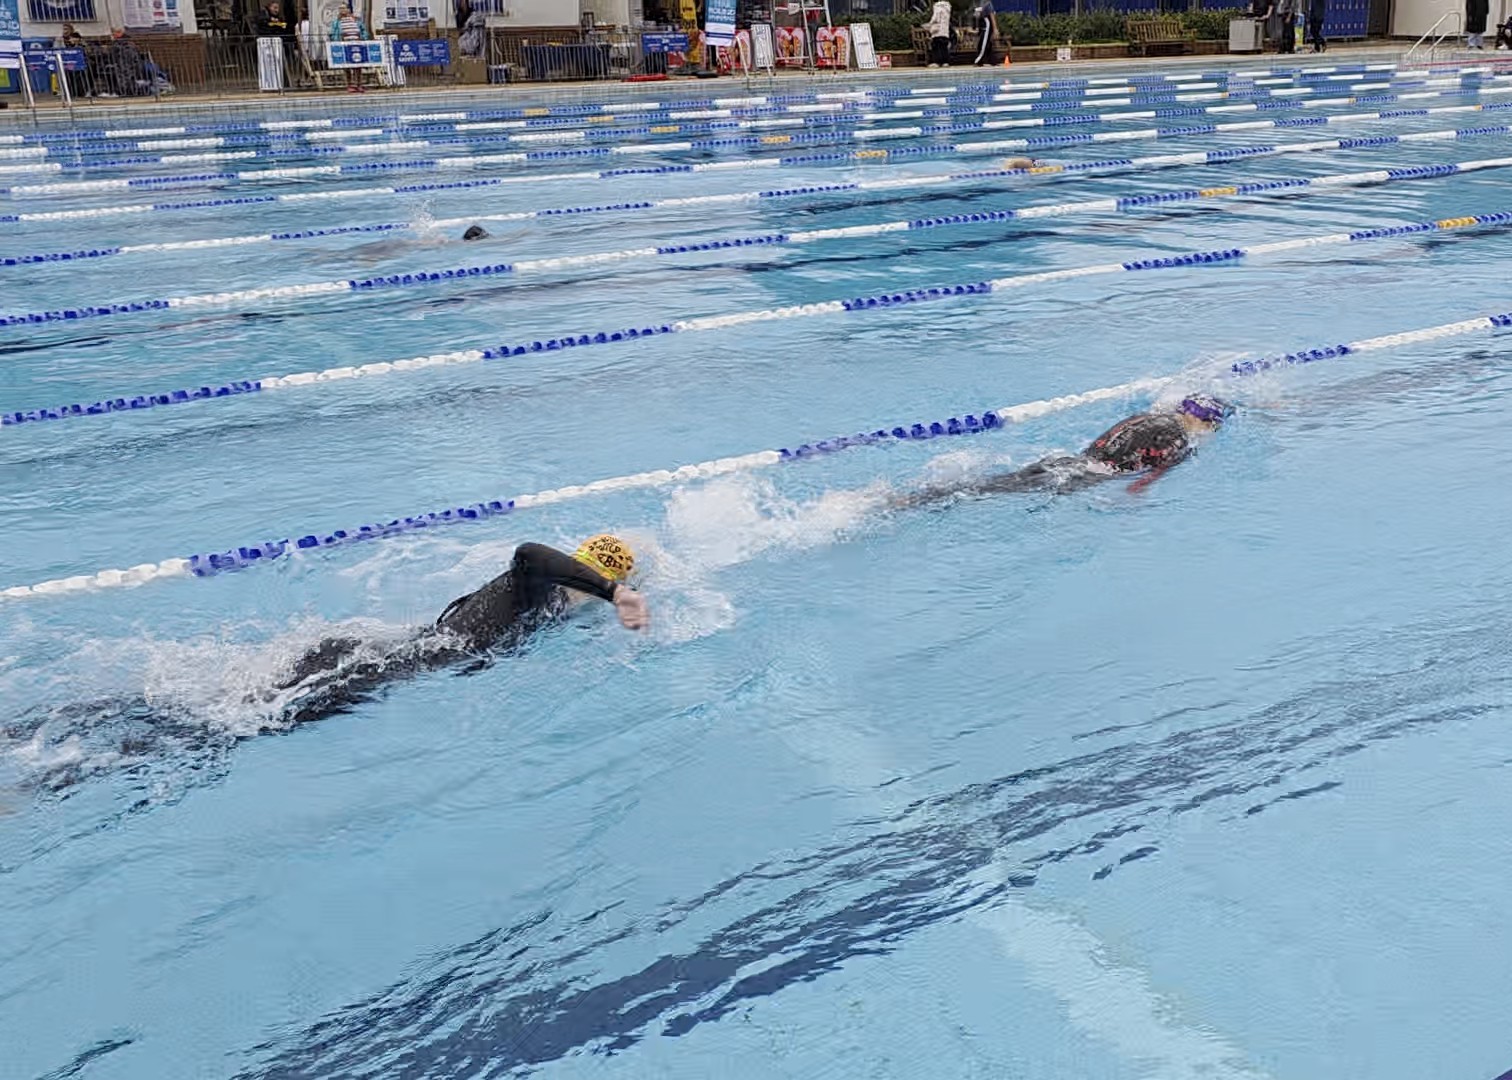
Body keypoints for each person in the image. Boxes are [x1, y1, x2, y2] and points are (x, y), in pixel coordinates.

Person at [272, 535, 649, 724]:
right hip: (372, 665)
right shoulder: (539, 582)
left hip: (388, 659)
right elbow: (530, 552)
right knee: (257, 722)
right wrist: (615, 592)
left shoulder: (555, 601)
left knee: (257, 712)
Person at [892, 394, 1232, 508]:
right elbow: (1148, 479)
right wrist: (1129, 498)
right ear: (1203, 422)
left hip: (1066, 460)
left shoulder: (1150, 415)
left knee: (995, 484)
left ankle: (919, 496)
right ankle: (915, 502)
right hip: (1084, 476)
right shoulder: (1181, 441)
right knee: (987, 494)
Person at [329, 3, 371, 92]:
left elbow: (363, 31)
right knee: (347, 65)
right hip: (344, 45)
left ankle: (359, 84)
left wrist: (362, 38)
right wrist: (337, 40)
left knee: (358, 65)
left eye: (343, 8)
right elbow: (332, 33)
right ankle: (350, 84)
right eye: (340, 8)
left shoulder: (356, 20)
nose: (341, 10)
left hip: (357, 44)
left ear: (348, 9)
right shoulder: (336, 22)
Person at [972, 0, 998, 65]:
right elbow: (976, 17)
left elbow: (992, 16)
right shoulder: (975, 3)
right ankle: (992, 61)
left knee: (983, 44)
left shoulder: (987, 3)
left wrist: (995, 29)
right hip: (982, 26)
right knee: (986, 43)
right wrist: (977, 27)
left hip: (987, 25)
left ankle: (978, 60)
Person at [927, 0, 952, 67]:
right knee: (944, 47)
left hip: (937, 31)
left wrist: (930, 23)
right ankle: (945, 62)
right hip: (945, 31)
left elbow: (936, 18)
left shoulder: (938, 6)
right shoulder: (947, 7)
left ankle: (937, 62)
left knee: (936, 46)